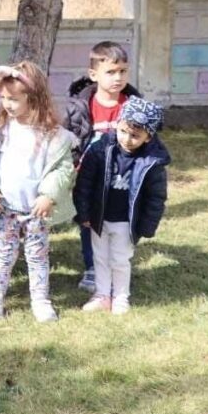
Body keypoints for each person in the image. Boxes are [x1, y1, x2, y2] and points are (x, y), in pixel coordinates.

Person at [0, 63, 77, 323]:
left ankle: (41, 300)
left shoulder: (52, 135)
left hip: (37, 210)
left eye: (14, 99)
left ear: (33, 97)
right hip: (6, 208)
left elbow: (62, 169)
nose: (7, 104)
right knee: (3, 255)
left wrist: (49, 195)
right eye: (3, 98)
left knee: (37, 256)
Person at [73, 97, 169, 315]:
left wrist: (147, 226)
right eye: (123, 131)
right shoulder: (100, 150)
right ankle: (102, 295)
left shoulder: (152, 162)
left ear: (148, 136)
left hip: (126, 221)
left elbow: (156, 197)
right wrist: (83, 213)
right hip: (99, 217)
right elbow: (84, 183)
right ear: (117, 124)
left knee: (120, 259)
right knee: (100, 257)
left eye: (135, 136)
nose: (127, 139)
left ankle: (120, 296)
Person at [64, 40, 140, 293]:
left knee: (121, 224)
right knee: (89, 223)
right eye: (110, 72)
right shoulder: (81, 107)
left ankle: (119, 265)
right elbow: (70, 141)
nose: (118, 78)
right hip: (90, 180)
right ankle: (92, 267)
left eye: (123, 71)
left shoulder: (133, 106)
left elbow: (146, 141)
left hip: (123, 179)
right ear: (93, 74)